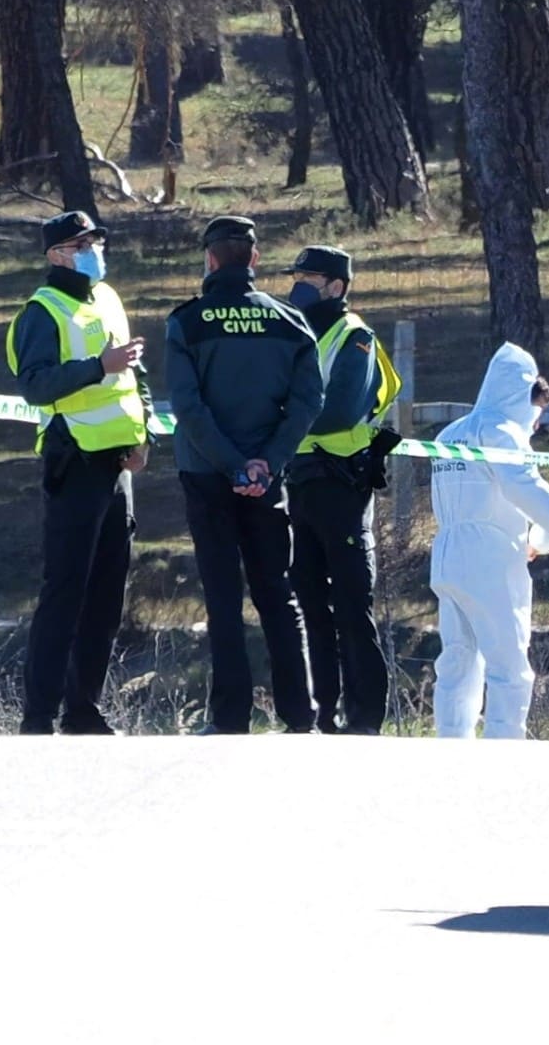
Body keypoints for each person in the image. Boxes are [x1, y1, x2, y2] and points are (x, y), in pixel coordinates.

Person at [165, 216, 325, 734]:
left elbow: (188, 407)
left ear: (210, 260)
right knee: (277, 594)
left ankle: (230, 718)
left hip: (208, 475)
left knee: (223, 598)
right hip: (266, 476)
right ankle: (300, 716)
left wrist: (232, 464)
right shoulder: (289, 322)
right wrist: (266, 462)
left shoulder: (188, 322)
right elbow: (308, 402)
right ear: (253, 259)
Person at [6, 210, 153, 735]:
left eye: (94, 239)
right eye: (80, 242)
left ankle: (83, 708)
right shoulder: (41, 312)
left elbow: (133, 372)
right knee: (65, 590)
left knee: (107, 594)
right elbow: (37, 384)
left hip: (118, 463)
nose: (93, 248)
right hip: (74, 460)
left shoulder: (107, 297)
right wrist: (99, 366)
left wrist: (145, 435)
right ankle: (39, 714)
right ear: (55, 255)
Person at [282, 246, 402, 735]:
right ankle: (321, 713)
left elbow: (341, 411)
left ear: (336, 286)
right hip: (301, 481)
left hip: (341, 483)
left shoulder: (354, 336)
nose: (299, 286)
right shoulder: (295, 334)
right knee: (310, 601)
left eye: (309, 278)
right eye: (297, 277)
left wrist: (284, 420)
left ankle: (365, 717)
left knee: (352, 605)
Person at [429, 343, 549, 739]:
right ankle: (504, 748)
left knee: (458, 659)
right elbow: (521, 484)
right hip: (490, 558)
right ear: (522, 397)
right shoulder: (502, 433)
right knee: (508, 662)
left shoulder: (451, 431)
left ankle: (450, 741)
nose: (536, 424)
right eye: (537, 412)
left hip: (446, 554)